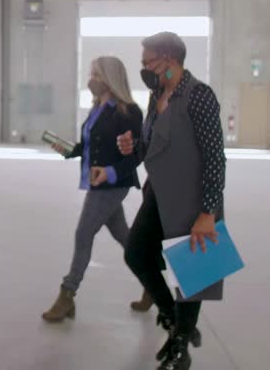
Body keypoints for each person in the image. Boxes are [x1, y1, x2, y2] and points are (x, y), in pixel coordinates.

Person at [117, 32, 226, 370]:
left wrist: (208, 212)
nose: (145, 69)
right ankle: (174, 319)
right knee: (136, 252)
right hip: (159, 191)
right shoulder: (156, 95)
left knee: (192, 274)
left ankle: (181, 346)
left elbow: (214, 157)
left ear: (169, 59)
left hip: (194, 196)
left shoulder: (200, 96)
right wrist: (132, 148)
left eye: (148, 62)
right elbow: (153, 147)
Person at [42, 56, 145, 323]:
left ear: (111, 78)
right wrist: (68, 149)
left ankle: (67, 295)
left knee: (83, 234)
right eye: (91, 74)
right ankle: (152, 285)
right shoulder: (97, 107)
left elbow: (135, 156)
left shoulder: (129, 111)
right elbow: (89, 146)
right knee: (126, 238)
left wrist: (110, 172)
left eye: (97, 75)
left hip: (112, 184)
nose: (92, 80)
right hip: (96, 181)